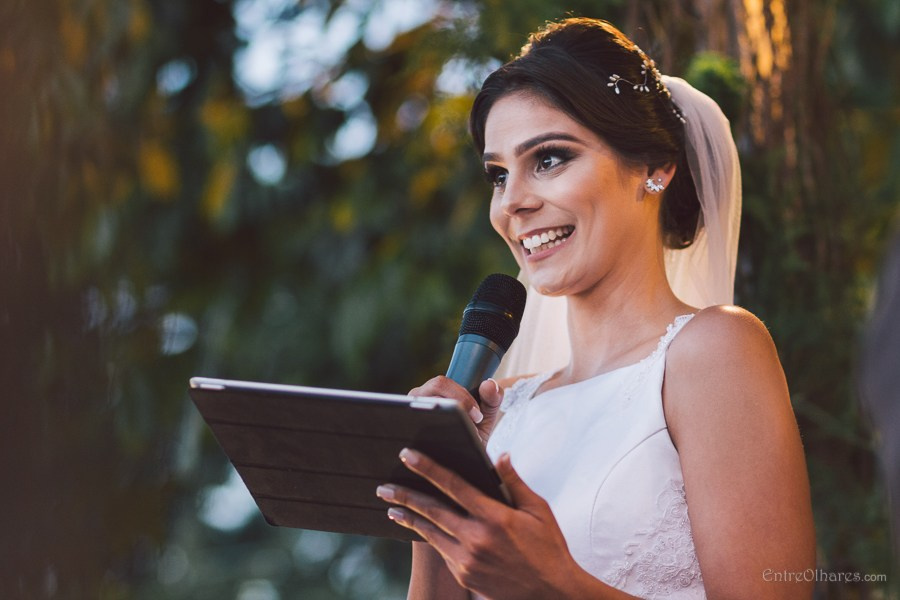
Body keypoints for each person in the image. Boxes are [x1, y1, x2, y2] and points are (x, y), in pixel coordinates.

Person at [375, 17, 816, 599]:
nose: (513, 203)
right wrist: (432, 496)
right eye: (497, 175)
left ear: (654, 169)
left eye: (550, 159)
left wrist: (552, 585)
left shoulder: (712, 353)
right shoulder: (500, 414)